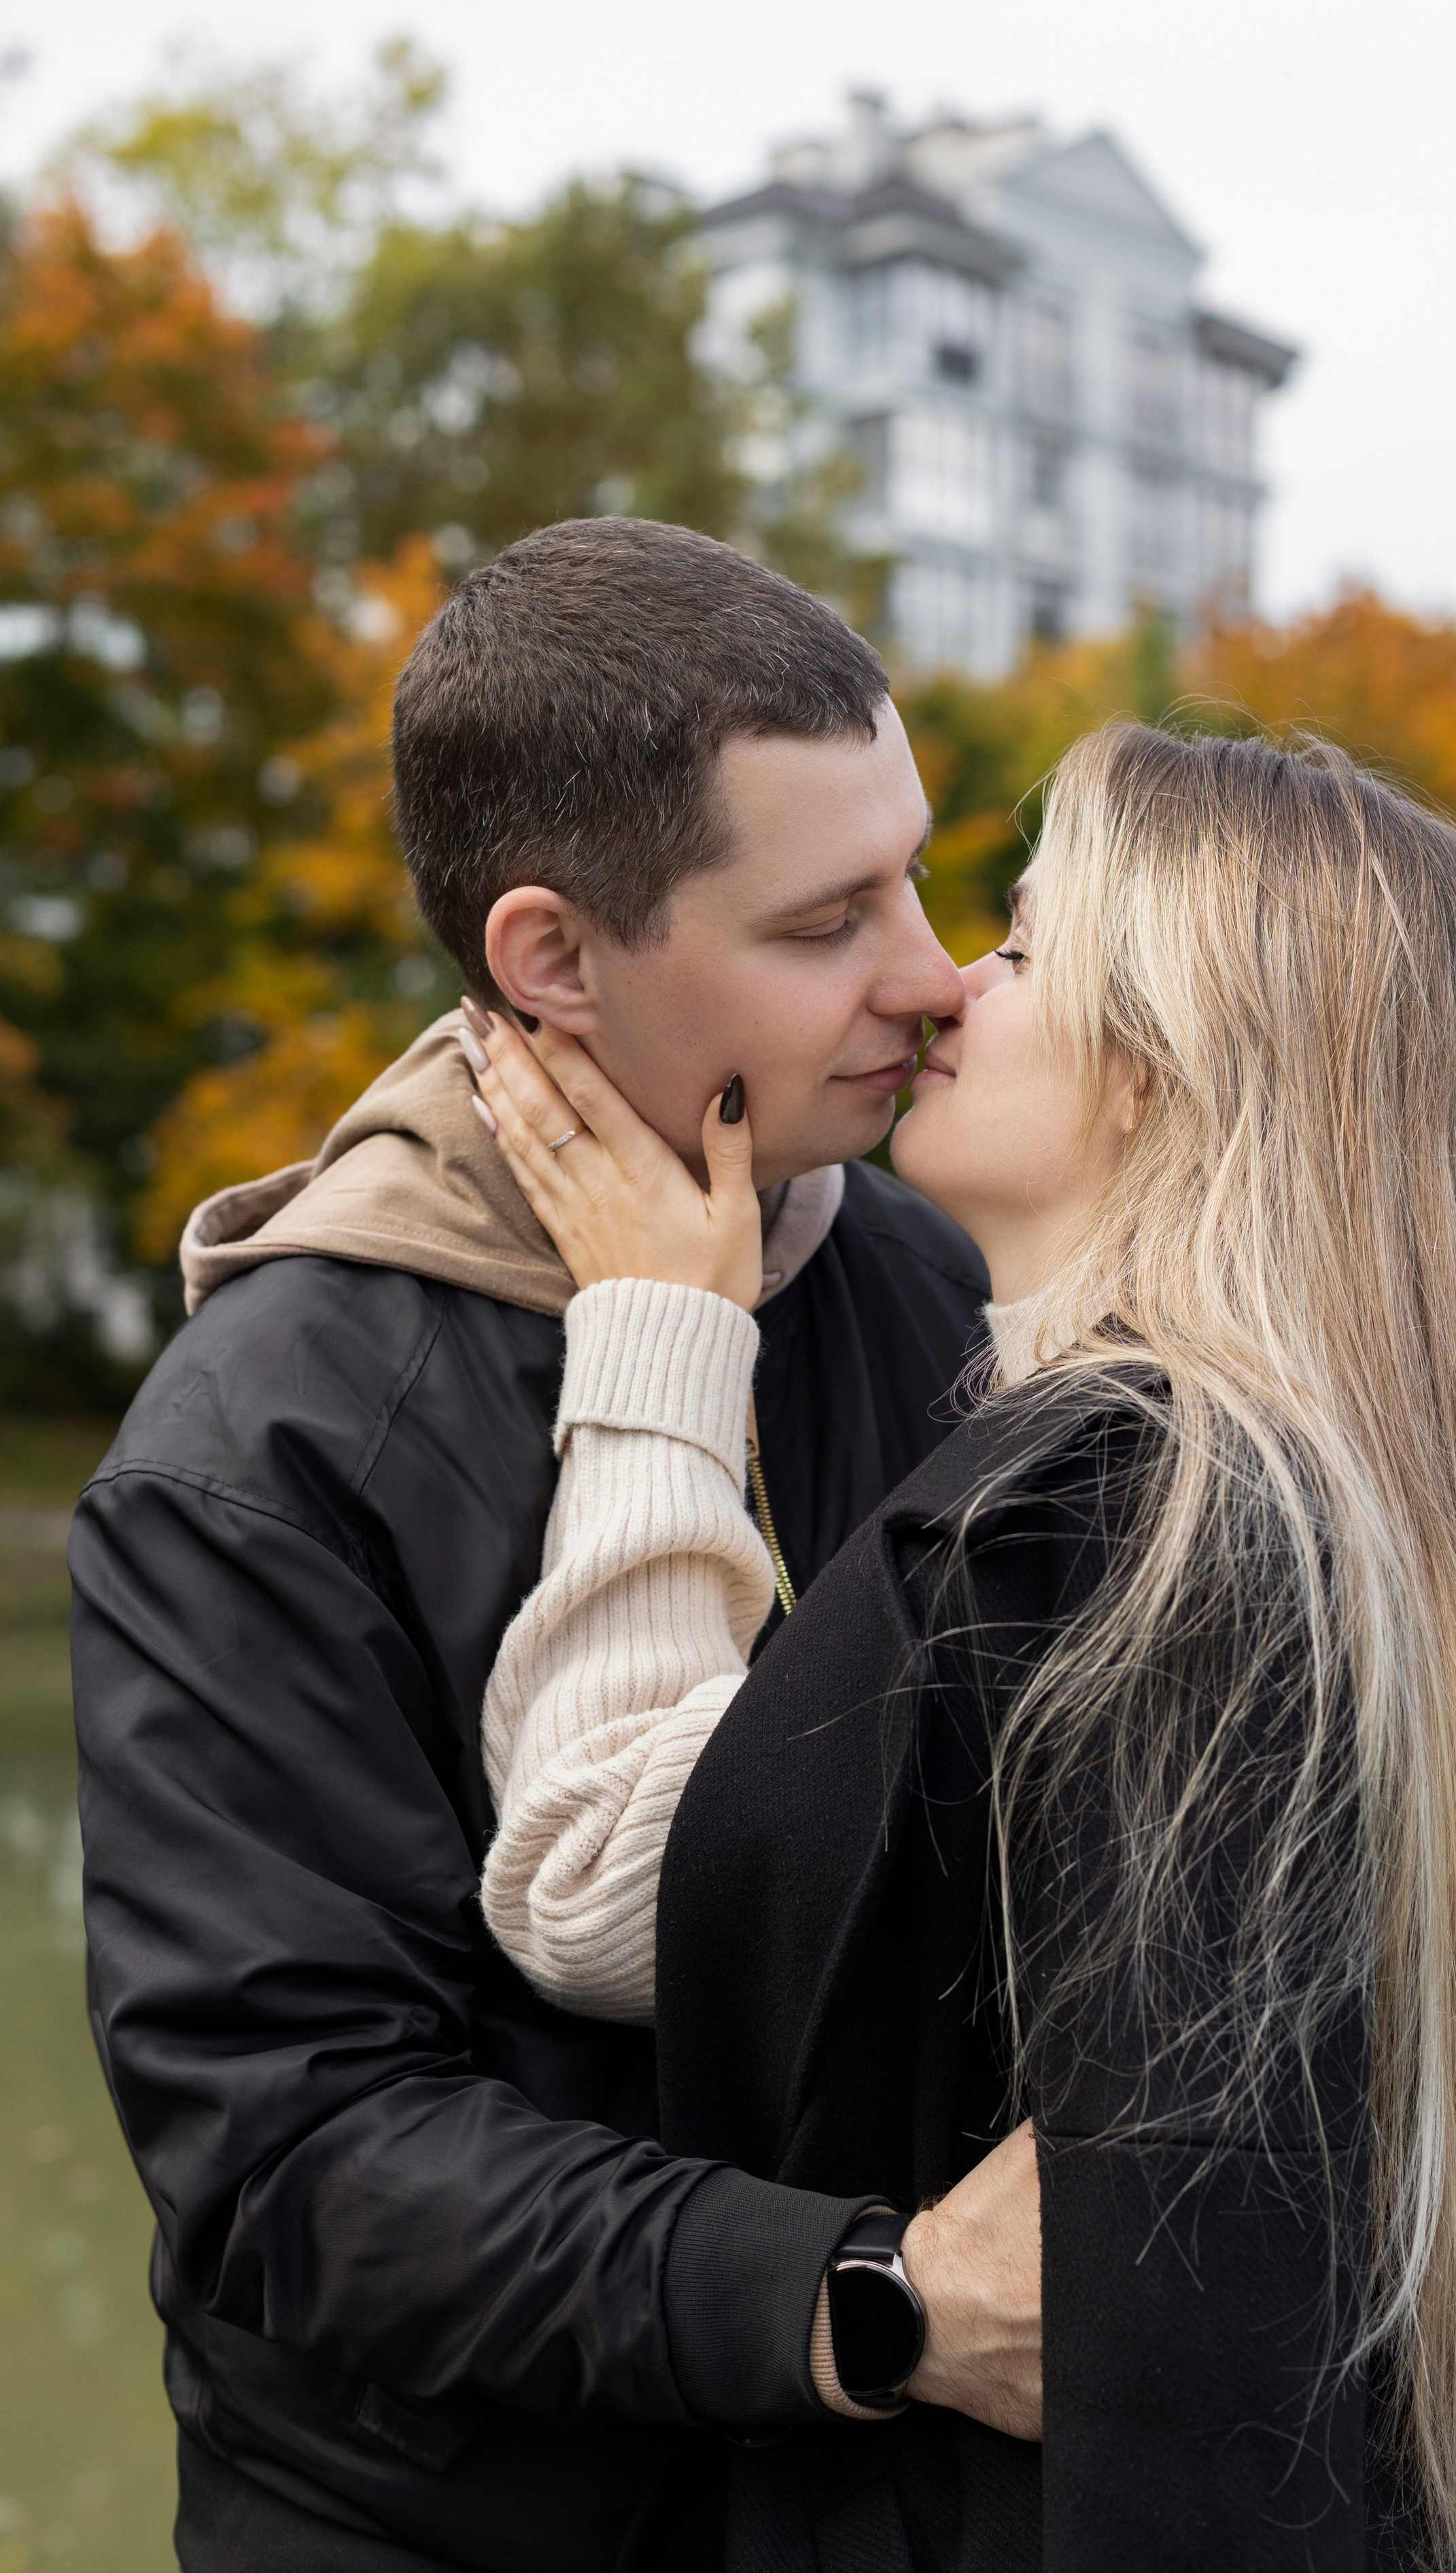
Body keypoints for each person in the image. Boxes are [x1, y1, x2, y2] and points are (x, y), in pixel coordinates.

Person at [465, 723, 1456, 2572]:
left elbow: (588, 1878)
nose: (948, 985)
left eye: (1024, 947)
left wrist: (655, 1325)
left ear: (1162, 1066)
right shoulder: (1351, 1512)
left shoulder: (1116, 1514)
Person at [69, 518, 1041, 2573]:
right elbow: (295, 2159)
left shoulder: (940, 1285)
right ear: (551, 961)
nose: (931, 975)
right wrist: (872, 2304)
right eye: (825, 921)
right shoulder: (256, 1453)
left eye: (916, 877)